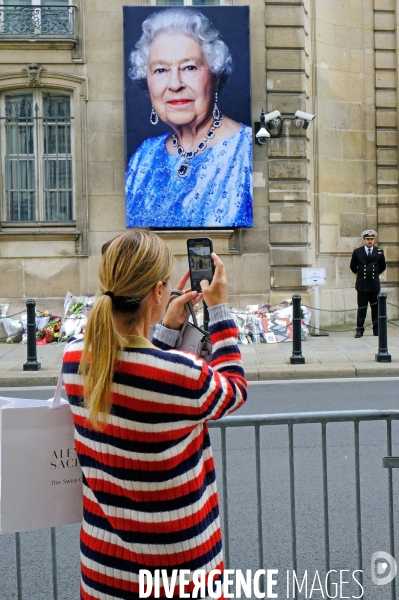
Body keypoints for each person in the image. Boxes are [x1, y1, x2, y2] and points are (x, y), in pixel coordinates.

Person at [62, 229, 247, 600]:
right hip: (180, 573)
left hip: (104, 573)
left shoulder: (74, 359)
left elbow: (136, 374)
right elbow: (233, 391)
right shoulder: (183, 374)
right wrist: (220, 309)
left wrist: (163, 330)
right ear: (158, 293)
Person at [125, 8, 253, 228]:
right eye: (161, 70)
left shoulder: (247, 149)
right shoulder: (143, 157)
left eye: (189, 67)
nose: (175, 84)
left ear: (215, 73)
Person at [350, 229, 386, 338]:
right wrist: (360, 275)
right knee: (362, 309)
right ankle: (359, 330)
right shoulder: (357, 252)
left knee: (375, 309)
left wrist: (374, 274)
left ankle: (377, 329)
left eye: (371, 239)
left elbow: (382, 267)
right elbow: (352, 266)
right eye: (367, 239)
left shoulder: (379, 251)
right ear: (364, 240)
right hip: (362, 285)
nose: (369, 241)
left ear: (374, 240)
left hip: (374, 285)